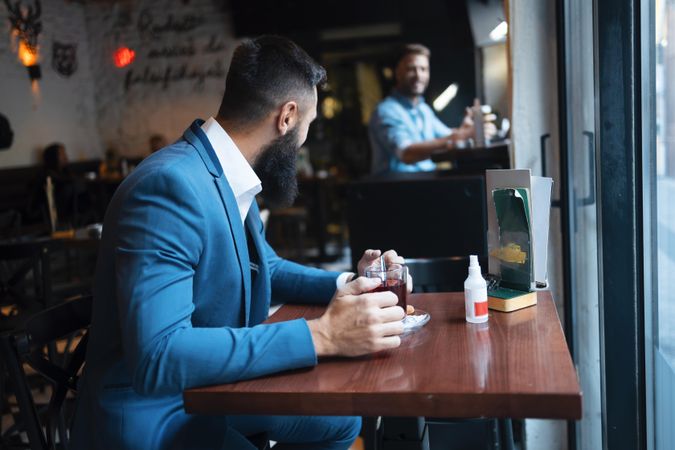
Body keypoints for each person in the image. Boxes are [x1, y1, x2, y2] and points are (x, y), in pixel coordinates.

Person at [71, 36, 408, 450]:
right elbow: (157, 356)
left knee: (340, 420)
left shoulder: (225, 172)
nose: (304, 140)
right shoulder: (167, 187)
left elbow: (268, 265)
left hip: (205, 392)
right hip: (152, 416)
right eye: (309, 124)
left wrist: (349, 285)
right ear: (287, 117)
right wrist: (322, 336)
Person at [368, 44, 490, 174]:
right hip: (397, 186)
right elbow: (406, 153)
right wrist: (460, 136)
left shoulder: (423, 109)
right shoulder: (386, 110)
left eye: (423, 69)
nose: (418, 75)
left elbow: (446, 136)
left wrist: (464, 131)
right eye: (411, 69)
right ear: (397, 72)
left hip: (426, 180)